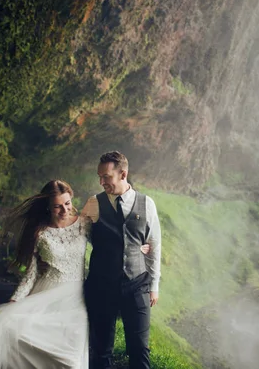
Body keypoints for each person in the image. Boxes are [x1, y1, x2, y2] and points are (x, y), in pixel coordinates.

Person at [81, 151, 162, 369]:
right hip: (101, 286)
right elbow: (79, 239)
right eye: (100, 177)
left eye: (106, 177)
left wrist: (154, 286)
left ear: (123, 174)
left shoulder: (147, 204)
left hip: (137, 285)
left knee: (140, 350)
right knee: (100, 351)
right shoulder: (93, 203)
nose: (101, 182)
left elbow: (154, 247)